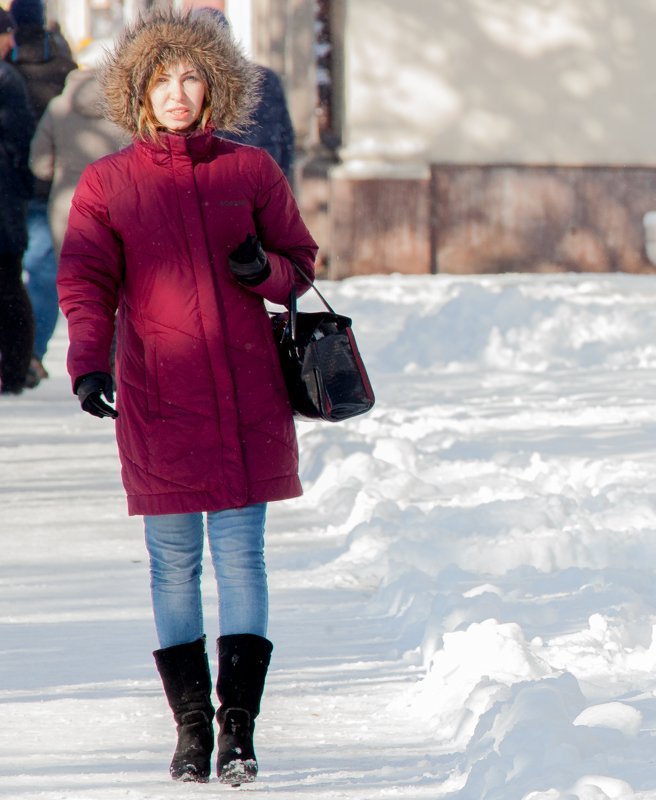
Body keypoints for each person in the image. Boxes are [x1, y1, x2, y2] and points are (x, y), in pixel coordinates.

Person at [57, 9, 318, 784]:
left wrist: (260, 273)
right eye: (163, 78)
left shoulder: (250, 172)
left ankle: (239, 728)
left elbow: (300, 266)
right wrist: (88, 363)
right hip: (159, 397)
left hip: (246, 398)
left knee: (242, 559)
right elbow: (85, 282)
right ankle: (191, 728)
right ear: (140, 90)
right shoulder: (110, 184)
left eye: (192, 76)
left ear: (215, 87)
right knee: (172, 565)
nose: (178, 92)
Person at [6, 0, 75, 387]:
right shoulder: (62, 63)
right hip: (51, 187)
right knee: (44, 271)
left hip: (14, 182)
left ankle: (15, 354)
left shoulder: (7, 66)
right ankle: (32, 352)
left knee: (12, 272)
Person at [29, 66, 129, 255]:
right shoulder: (121, 108)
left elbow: (40, 164)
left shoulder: (57, 107)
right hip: (115, 204)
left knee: (73, 275)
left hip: (67, 203)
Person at [190, 8, 295, 185]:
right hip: (261, 178)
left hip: (227, 182)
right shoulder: (265, 77)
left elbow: (285, 137)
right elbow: (286, 140)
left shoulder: (198, 84)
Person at [0, 8, 35, 396]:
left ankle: (14, 370)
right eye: (6, 34)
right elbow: (21, 139)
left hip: (6, 201)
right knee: (10, 287)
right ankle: (14, 369)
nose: (11, 42)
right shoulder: (7, 78)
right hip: (5, 201)